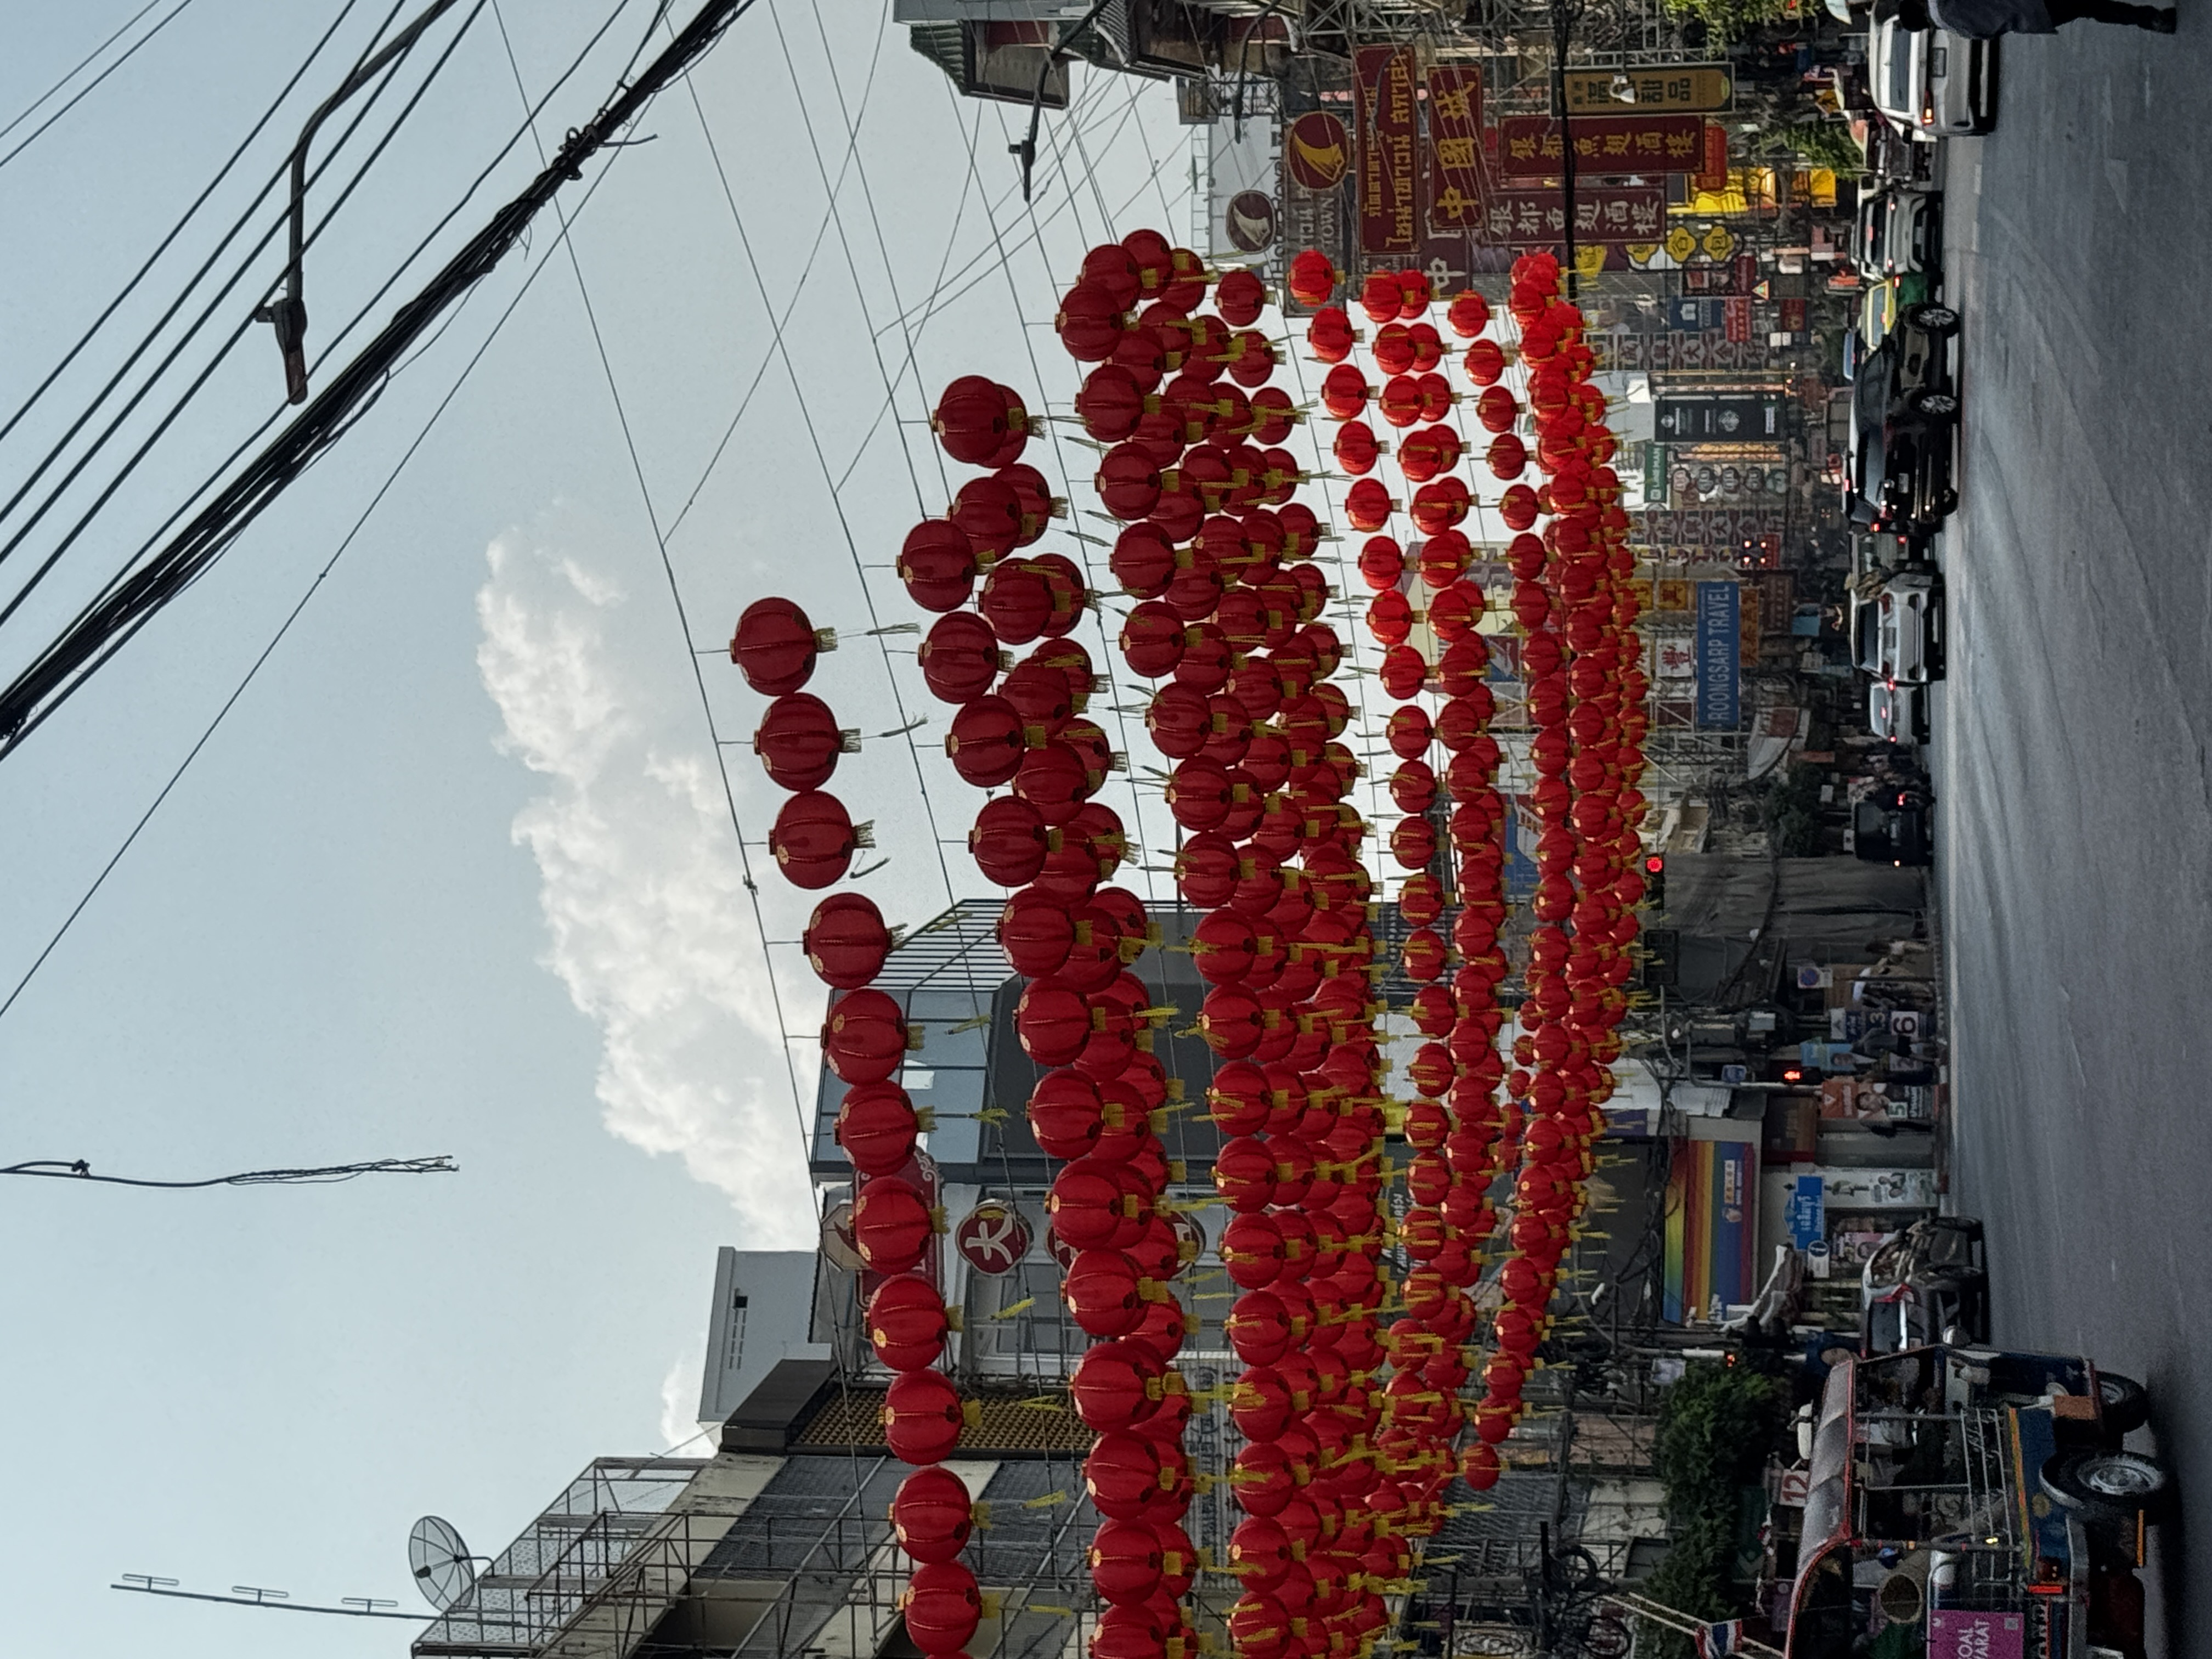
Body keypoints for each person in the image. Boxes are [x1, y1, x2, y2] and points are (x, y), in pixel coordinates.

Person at [1880, 0, 2176, 33]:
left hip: (2035, 19)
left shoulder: (1958, 30)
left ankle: (2150, 20)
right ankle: (2152, 19)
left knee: (2090, 8)